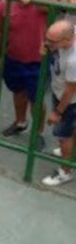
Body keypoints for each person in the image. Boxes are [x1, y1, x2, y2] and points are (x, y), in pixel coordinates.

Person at [0, 0, 53, 148]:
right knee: (17, 91)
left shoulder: (46, 1)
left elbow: (53, 5)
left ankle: (39, 132)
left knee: (36, 99)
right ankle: (20, 122)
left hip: (37, 62)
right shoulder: (6, 4)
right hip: (13, 58)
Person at [41, 20, 76, 186]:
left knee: (64, 136)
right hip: (60, 91)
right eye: (47, 38)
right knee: (70, 131)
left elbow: (70, 91)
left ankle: (65, 172)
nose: (48, 43)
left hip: (69, 101)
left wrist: (58, 112)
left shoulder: (74, 60)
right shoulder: (67, 33)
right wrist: (47, 47)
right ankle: (69, 153)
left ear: (67, 40)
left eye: (52, 42)